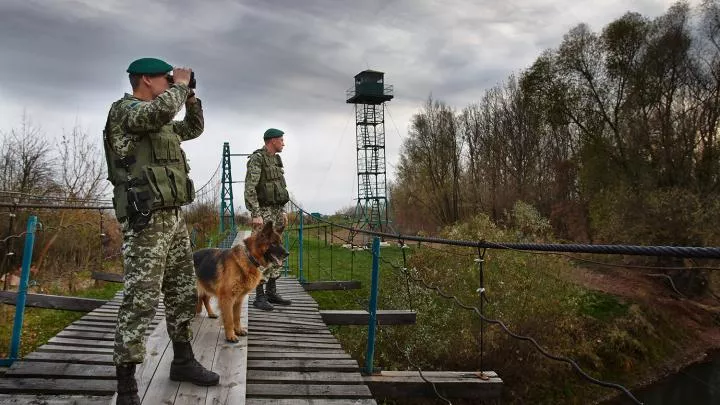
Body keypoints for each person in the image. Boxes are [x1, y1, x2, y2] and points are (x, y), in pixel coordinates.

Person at [103, 57, 219, 405]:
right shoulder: (126, 111)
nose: (171, 83)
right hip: (144, 220)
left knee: (182, 291)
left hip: (172, 218)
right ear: (145, 80)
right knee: (141, 300)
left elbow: (193, 129)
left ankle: (182, 361)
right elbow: (156, 114)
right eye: (165, 79)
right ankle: (126, 387)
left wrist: (192, 97)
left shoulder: (162, 118)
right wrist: (180, 86)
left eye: (173, 79)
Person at [244, 128, 293, 311]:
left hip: (276, 211)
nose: (283, 143)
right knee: (261, 253)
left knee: (276, 251)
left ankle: (272, 292)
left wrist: (282, 211)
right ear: (272, 141)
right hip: (263, 212)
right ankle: (259, 296)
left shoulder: (276, 159)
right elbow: (250, 187)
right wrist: (256, 213)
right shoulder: (257, 159)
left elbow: (279, 187)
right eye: (281, 140)